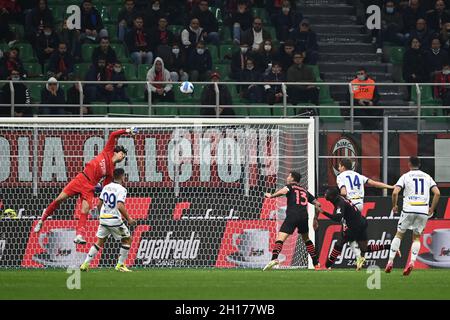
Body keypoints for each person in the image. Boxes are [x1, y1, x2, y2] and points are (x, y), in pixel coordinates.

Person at [34, 127, 138, 244]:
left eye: (124, 156)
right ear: (116, 152)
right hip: (80, 179)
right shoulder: (107, 151)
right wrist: (128, 131)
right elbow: (114, 134)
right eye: (122, 153)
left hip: (89, 187)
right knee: (59, 199)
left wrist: (100, 191)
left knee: (85, 209)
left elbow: (105, 187)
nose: (123, 156)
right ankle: (42, 220)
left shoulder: (111, 171)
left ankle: (79, 235)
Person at [386, 156, 440, 276]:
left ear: (409, 164)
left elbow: (395, 192)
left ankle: (390, 262)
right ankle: (412, 262)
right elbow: (437, 193)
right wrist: (432, 208)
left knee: (399, 234)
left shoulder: (405, 176)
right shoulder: (427, 177)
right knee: (416, 238)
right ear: (419, 164)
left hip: (408, 208)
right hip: (422, 210)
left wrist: (394, 205)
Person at [336, 157, 394, 267]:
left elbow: (343, 193)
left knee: (347, 235)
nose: (338, 168)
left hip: (350, 206)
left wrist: (337, 199)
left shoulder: (340, 177)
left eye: (339, 166)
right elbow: (374, 183)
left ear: (343, 166)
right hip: (360, 206)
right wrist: (390, 186)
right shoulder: (359, 176)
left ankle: (359, 258)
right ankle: (361, 256)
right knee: (353, 234)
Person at [320, 187, 391, 270]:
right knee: (364, 248)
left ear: (332, 197)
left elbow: (337, 218)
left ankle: (327, 265)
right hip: (362, 222)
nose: (325, 195)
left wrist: (323, 212)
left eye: (327, 193)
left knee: (340, 243)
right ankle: (390, 247)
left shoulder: (339, 202)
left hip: (354, 226)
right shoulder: (340, 198)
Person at [80, 168, 136, 272]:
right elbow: (120, 205)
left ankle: (85, 264)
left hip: (104, 219)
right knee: (127, 239)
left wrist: (102, 216)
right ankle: (120, 265)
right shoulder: (122, 189)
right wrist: (129, 219)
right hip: (114, 219)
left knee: (99, 242)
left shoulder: (106, 187)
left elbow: (99, 204)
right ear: (122, 177)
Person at [263, 171, 321, 271]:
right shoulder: (304, 191)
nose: (287, 177)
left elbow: (284, 191)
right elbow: (318, 204)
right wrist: (315, 218)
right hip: (303, 217)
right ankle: (316, 264)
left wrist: (271, 196)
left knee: (280, 238)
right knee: (306, 239)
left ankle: (274, 259)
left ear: (293, 178)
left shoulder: (290, 186)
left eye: (289, 176)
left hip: (292, 216)